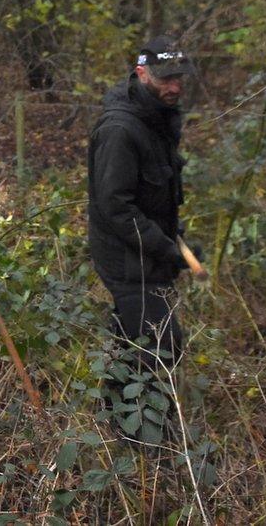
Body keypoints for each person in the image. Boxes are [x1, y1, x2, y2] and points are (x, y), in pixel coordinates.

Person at [87, 35, 197, 373]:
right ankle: (150, 426)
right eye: (166, 78)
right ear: (142, 73)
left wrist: (175, 237)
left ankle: (113, 420)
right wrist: (166, 248)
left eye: (179, 78)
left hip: (146, 254)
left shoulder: (158, 118)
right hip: (127, 261)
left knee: (130, 347)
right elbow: (116, 207)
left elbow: (154, 192)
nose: (175, 87)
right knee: (161, 349)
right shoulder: (120, 130)